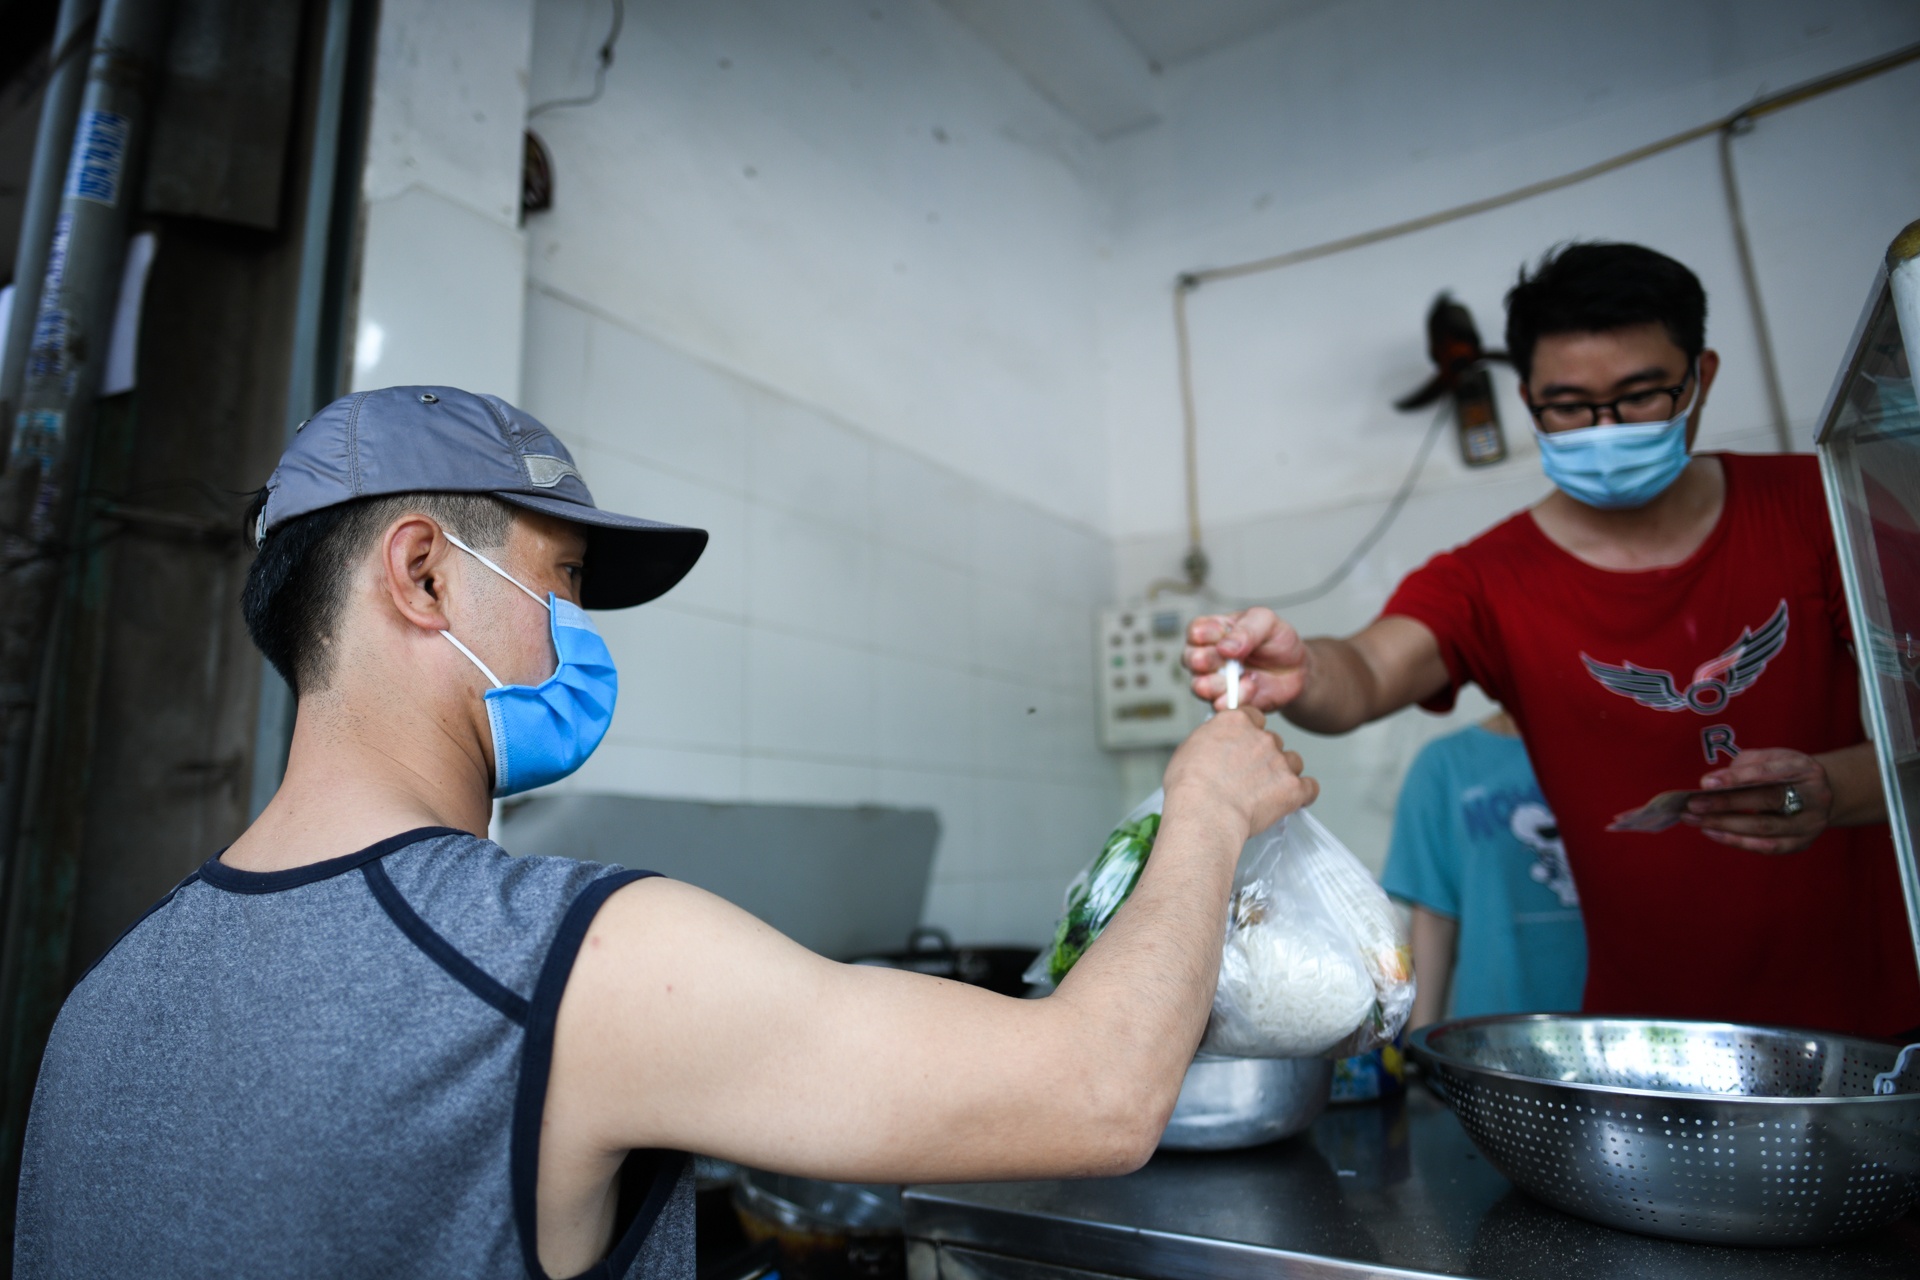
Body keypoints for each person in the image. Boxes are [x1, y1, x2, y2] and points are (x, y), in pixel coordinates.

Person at [15, 387, 1318, 1278]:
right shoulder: (569, 961)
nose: (580, 631)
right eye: (564, 582)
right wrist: (1205, 802)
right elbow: (1093, 1094)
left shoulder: (99, 1007)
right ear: (420, 575)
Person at [1185, 242, 1920, 1038]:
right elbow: (1362, 670)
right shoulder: (1489, 578)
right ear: (1530, 399)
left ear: (1700, 378)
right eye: (1567, 406)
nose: (1604, 430)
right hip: (1644, 1044)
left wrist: (1831, 789)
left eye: (1640, 395)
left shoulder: (1822, 508)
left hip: (1881, 1031)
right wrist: (1303, 668)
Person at [1381, 710, 1584, 1026]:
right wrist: (1418, 1053)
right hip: (1490, 1037)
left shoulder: (1625, 754)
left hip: (1618, 1035)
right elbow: (1434, 920)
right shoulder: (1444, 764)